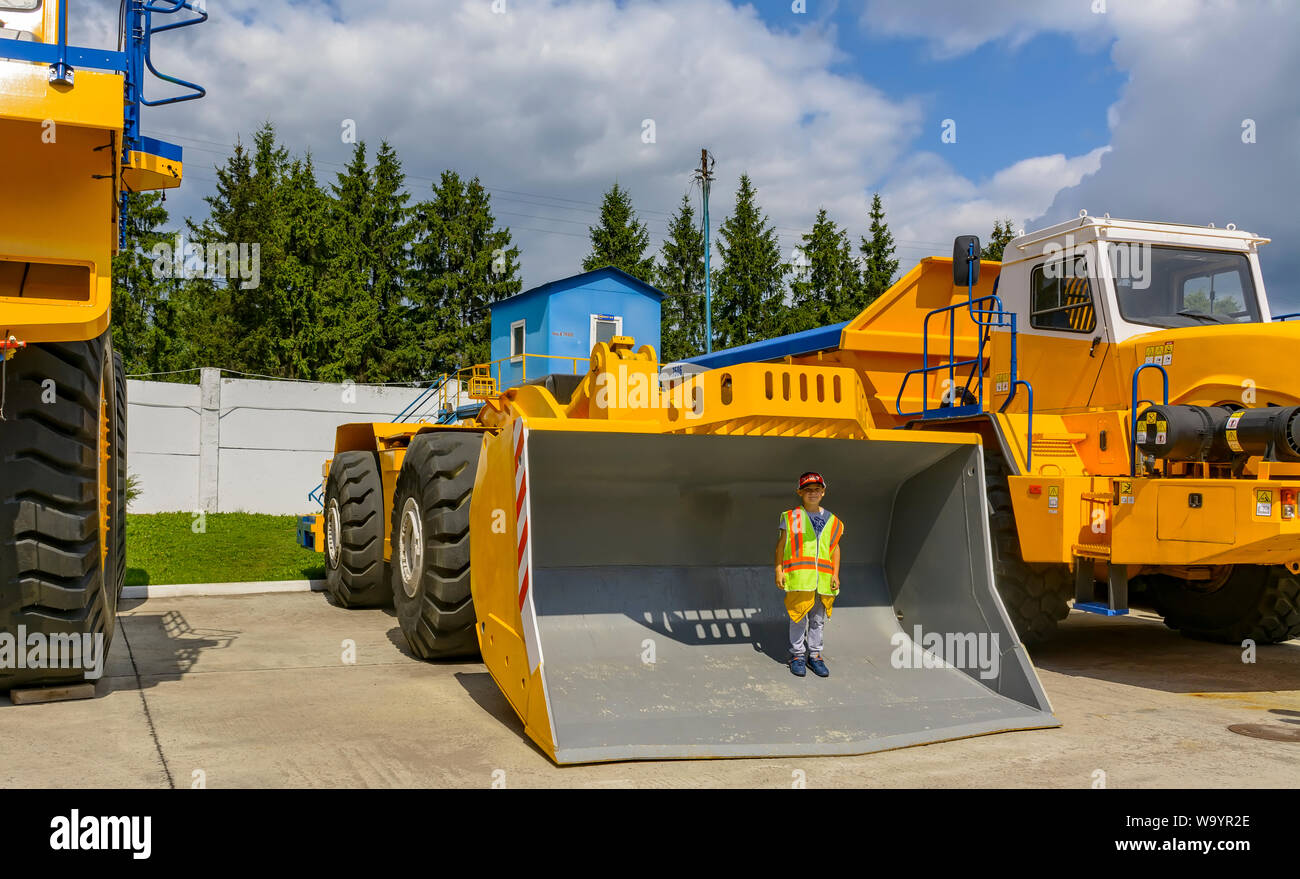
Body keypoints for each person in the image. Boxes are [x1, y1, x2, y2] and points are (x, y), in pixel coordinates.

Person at [774, 472, 842, 678]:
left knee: (817, 620)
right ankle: (797, 655)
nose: (813, 493)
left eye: (816, 490)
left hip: (822, 580)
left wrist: (835, 574)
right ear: (800, 493)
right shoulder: (794, 516)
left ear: (823, 492)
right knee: (798, 618)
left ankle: (815, 655)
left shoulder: (832, 520)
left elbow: (835, 548)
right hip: (800, 579)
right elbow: (782, 545)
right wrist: (778, 569)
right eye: (808, 490)